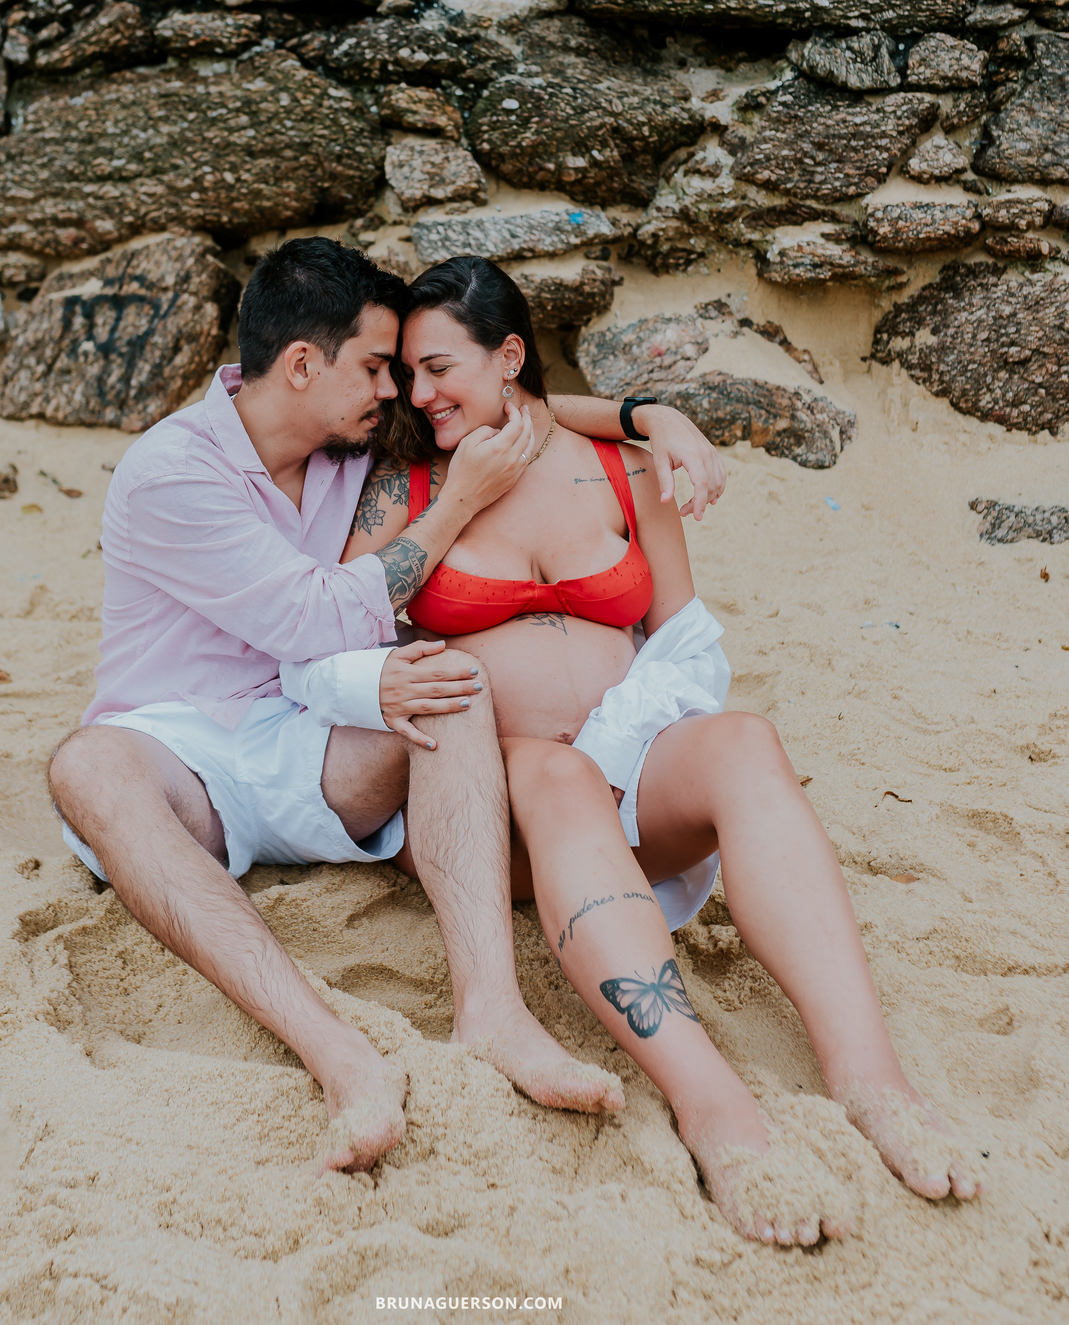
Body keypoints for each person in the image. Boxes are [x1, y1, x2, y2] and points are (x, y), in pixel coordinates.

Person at [329, 255, 984, 1242]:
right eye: (411, 375)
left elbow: (681, 642)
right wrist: (456, 502)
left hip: (625, 774)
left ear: (510, 357)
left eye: (437, 369)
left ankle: (871, 1081)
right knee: (556, 775)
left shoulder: (626, 468)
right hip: (499, 814)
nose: (417, 394)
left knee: (744, 739)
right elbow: (339, 621)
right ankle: (715, 1107)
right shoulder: (408, 481)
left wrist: (650, 418)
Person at [48, 236, 726, 1174]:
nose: (395, 392)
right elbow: (315, 618)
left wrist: (648, 411)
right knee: (84, 766)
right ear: (299, 365)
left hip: (313, 742)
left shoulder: (348, 447)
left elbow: (512, 406)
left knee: (448, 683)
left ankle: (492, 1012)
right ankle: (339, 1054)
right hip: (186, 756)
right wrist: (456, 510)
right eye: (375, 367)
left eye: (402, 372)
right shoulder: (172, 473)